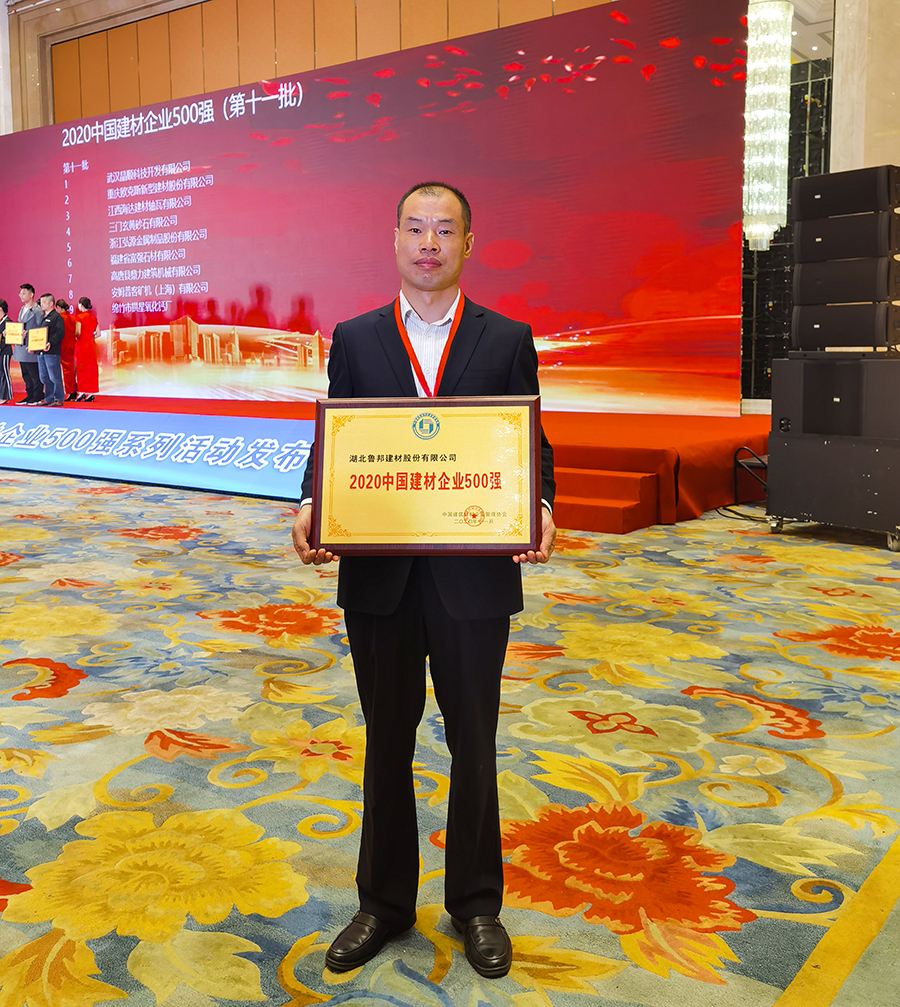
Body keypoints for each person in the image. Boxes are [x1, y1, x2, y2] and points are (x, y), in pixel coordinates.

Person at [292, 182, 556, 979]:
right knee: (385, 739)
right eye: (416, 228)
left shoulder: (506, 337)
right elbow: (336, 434)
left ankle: (476, 904)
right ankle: (382, 902)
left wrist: (541, 504)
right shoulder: (357, 337)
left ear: (468, 243)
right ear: (396, 239)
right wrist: (311, 500)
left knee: (475, 740)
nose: (429, 242)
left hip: (473, 576)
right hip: (382, 575)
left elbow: (530, 438)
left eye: (445, 230)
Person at [13, 283, 44, 404]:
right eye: (20, 293)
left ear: (31, 295)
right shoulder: (22, 309)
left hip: (31, 347)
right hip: (21, 346)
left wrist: (29, 334)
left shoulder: (37, 310)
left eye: (23, 293)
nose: (20, 295)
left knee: (33, 373)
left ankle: (37, 395)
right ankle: (29, 395)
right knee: (25, 373)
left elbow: (41, 329)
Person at [36, 293, 65, 406]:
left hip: (52, 351)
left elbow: (60, 333)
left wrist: (50, 342)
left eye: (44, 302)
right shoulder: (43, 317)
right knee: (44, 377)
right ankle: (48, 397)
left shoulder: (57, 317)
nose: (41, 304)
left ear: (51, 303)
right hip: (41, 351)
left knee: (54, 376)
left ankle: (59, 398)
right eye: (41, 302)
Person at [73, 297, 99, 402]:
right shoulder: (93, 318)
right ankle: (91, 393)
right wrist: (90, 337)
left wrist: (76, 337)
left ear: (80, 305)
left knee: (81, 369)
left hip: (82, 345)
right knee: (91, 369)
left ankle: (82, 392)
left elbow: (78, 333)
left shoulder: (79, 318)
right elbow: (98, 333)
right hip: (91, 345)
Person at [56, 299, 79, 400]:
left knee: (65, 371)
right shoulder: (73, 318)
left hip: (62, 346)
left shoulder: (59, 318)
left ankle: (70, 391)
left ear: (58, 307)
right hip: (72, 345)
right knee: (71, 369)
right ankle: (73, 390)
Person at [0, 299, 12, 403]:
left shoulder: (8, 322)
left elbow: (10, 338)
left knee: (5, 372)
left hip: (5, 351)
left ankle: (7, 395)